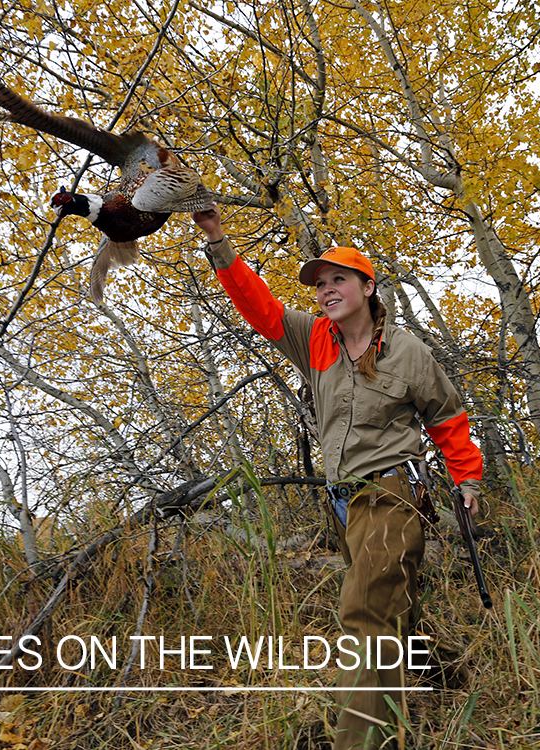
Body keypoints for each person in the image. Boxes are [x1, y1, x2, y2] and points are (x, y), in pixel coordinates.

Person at [192, 205, 482, 750]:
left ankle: (359, 740)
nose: (326, 290)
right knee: (390, 605)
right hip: (344, 502)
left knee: (365, 611)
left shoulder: (407, 351)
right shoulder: (314, 339)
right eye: (320, 284)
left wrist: (467, 478)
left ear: (367, 287)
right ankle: (441, 676)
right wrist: (217, 239)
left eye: (338, 280)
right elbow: (258, 307)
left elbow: (446, 416)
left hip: (394, 493)